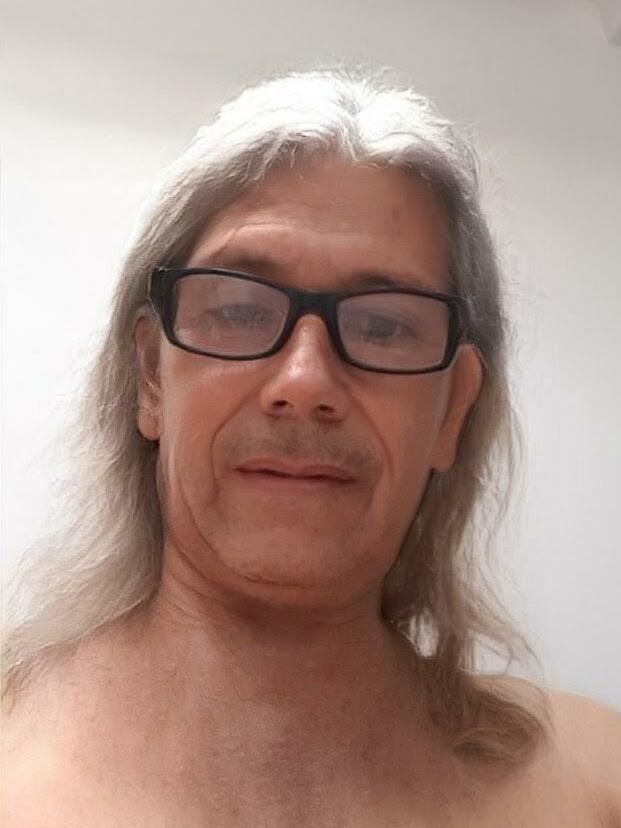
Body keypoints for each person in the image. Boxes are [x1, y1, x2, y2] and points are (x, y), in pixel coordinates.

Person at [2, 70, 619, 827]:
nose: (304, 381)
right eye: (237, 309)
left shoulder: (593, 788)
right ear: (150, 377)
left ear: (452, 409)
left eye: (382, 325)